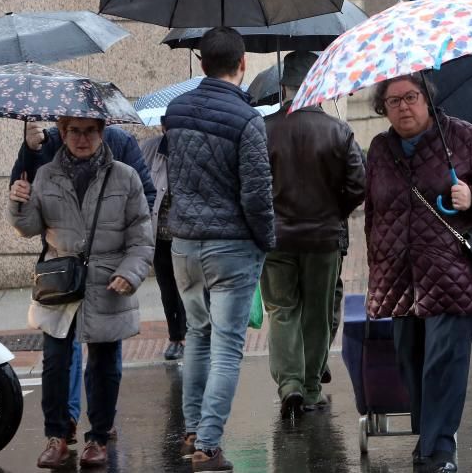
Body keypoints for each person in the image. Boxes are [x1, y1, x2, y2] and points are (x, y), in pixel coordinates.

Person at [364, 73, 472, 472]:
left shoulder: (461, 136)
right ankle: (428, 438)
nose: (403, 107)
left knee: (443, 359)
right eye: (392, 102)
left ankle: (439, 448)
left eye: (410, 97)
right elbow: (374, 213)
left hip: (452, 271)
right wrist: (375, 266)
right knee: (408, 359)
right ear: (383, 109)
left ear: (427, 99)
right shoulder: (379, 148)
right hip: (399, 275)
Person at [7, 116, 154, 469]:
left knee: (104, 365)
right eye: (74, 131)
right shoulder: (46, 174)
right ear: (63, 132)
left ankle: (98, 438)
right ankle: (56, 437)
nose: (82, 139)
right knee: (56, 361)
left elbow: (141, 237)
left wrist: (130, 273)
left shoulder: (125, 176)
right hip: (62, 281)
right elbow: (27, 228)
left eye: (90, 131)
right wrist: (18, 201)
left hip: (108, 282)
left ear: (102, 134)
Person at [164, 27, 276, 472]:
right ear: (243, 63)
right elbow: (257, 193)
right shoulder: (247, 119)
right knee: (229, 347)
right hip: (231, 246)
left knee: (197, 335)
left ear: (202, 63)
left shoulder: (175, 112)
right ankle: (208, 446)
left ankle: (193, 430)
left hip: (185, 244)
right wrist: (266, 239)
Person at [261, 51, 366, 416]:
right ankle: (308, 387)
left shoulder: (263, 129)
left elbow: (252, 184)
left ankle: (288, 383)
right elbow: (358, 184)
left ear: (283, 87)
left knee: (282, 310)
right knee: (317, 314)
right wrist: (335, 211)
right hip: (323, 237)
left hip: (276, 238)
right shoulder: (338, 130)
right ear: (317, 86)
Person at [141, 121, 187, 361]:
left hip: (186, 234)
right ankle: (176, 337)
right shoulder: (149, 149)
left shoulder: (192, 149)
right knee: (167, 287)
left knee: (188, 288)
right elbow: (138, 185)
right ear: (163, 127)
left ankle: (194, 334)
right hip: (159, 235)